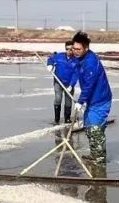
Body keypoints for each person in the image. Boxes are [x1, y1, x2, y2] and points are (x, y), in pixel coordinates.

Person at [65, 31, 112, 173]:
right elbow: (74, 69)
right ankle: (94, 155)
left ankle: (99, 162)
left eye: (78, 49)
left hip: (100, 99)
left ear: (86, 48)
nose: (75, 51)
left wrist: (81, 101)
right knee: (88, 126)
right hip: (92, 100)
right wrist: (71, 84)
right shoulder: (79, 59)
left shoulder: (90, 63)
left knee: (95, 129)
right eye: (74, 48)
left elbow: (89, 86)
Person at [45, 41, 78, 124]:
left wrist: (71, 85)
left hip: (69, 84)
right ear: (65, 49)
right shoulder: (59, 56)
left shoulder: (76, 60)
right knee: (58, 98)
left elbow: (76, 74)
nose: (69, 51)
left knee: (68, 100)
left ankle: (67, 119)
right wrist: (50, 65)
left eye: (71, 49)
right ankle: (56, 120)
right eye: (67, 49)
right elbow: (50, 59)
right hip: (58, 81)